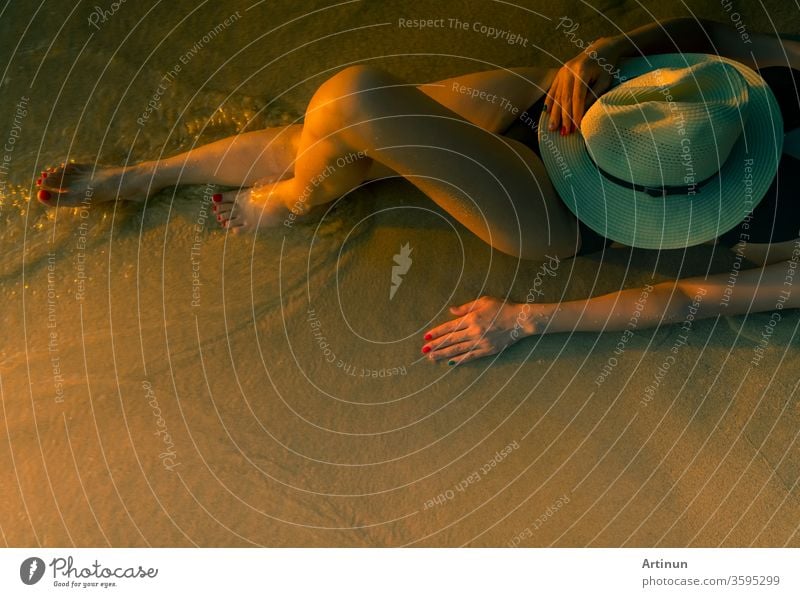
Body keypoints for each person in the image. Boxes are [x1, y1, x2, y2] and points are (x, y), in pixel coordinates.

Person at [35, 17, 800, 365]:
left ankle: (292, 200)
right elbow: (724, 37)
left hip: (567, 211)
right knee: (349, 138)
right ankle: (149, 178)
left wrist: (525, 320)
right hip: (584, 110)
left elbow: (693, 299)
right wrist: (605, 52)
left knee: (354, 102)